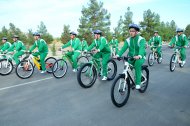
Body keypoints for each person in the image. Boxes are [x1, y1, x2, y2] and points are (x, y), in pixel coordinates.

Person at [116, 24, 146, 89]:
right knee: (128, 67)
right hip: (131, 57)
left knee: (137, 65)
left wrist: (139, 55)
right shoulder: (128, 40)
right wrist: (118, 55)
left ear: (136, 32)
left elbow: (142, 48)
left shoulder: (141, 39)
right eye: (130, 31)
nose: (131, 32)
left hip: (140, 57)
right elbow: (123, 48)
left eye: (133, 31)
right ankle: (131, 80)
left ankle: (138, 83)